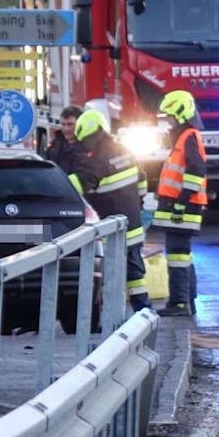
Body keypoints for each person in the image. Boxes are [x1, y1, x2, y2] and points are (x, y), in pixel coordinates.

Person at [67, 109, 150, 312]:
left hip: (111, 230)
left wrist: (58, 185)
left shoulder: (96, 158)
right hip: (133, 224)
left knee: (110, 276)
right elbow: (142, 183)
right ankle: (145, 312)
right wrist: (136, 204)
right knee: (135, 274)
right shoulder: (125, 151)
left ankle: (114, 320)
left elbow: (80, 184)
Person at [152, 90, 206, 317]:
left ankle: (180, 303)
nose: (168, 122)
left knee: (177, 256)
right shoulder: (184, 137)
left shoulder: (188, 137)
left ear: (181, 114)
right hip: (179, 205)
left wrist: (181, 202)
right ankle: (187, 301)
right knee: (180, 255)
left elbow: (196, 171)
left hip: (183, 206)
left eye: (171, 117)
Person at [43, 105, 85, 176]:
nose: (66, 129)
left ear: (80, 124)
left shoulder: (87, 147)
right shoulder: (55, 145)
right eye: (63, 124)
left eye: (70, 124)